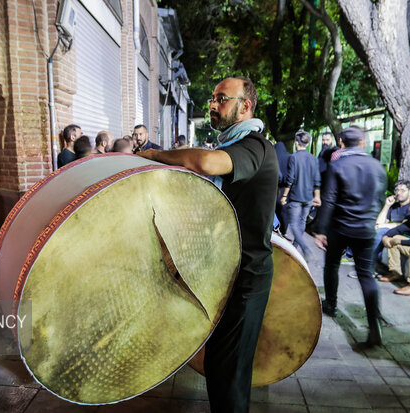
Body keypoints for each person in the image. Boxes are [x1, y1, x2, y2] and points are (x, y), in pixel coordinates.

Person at [138, 76, 278, 413]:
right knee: (218, 365)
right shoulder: (234, 145)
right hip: (227, 272)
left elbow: (205, 163)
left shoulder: (255, 146)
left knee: (228, 375)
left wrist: (156, 153)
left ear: (245, 106)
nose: (213, 105)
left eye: (222, 99)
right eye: (213, 99)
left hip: (247, 277)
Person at [313, 126, 386, 346]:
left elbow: (330, 200)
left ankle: (331, 304)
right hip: (365, 228)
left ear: (342, 143)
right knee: (366, 275)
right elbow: (381, 198)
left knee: (332, 264)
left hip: (341, 227)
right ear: (363, 143)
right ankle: (374, 324)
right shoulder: (376, 165)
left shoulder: (338, 165)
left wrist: (320, 229)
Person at [378, 193, 410, 296]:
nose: (408, 209)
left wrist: (401, 242)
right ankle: (396, 274)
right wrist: (386, 237)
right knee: (395, 239)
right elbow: (398, 229)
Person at [280, 131, 321, 258]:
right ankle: (295, 247)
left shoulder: (294, 158)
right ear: (307, 143)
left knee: (293, 223)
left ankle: (304, 248)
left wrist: (284, 195)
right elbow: (317, 179)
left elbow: (290, 179)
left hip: (296, 197)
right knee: (302, 222)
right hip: (308, 197)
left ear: (296, 143)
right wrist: (317, 196)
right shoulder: (313, 158)